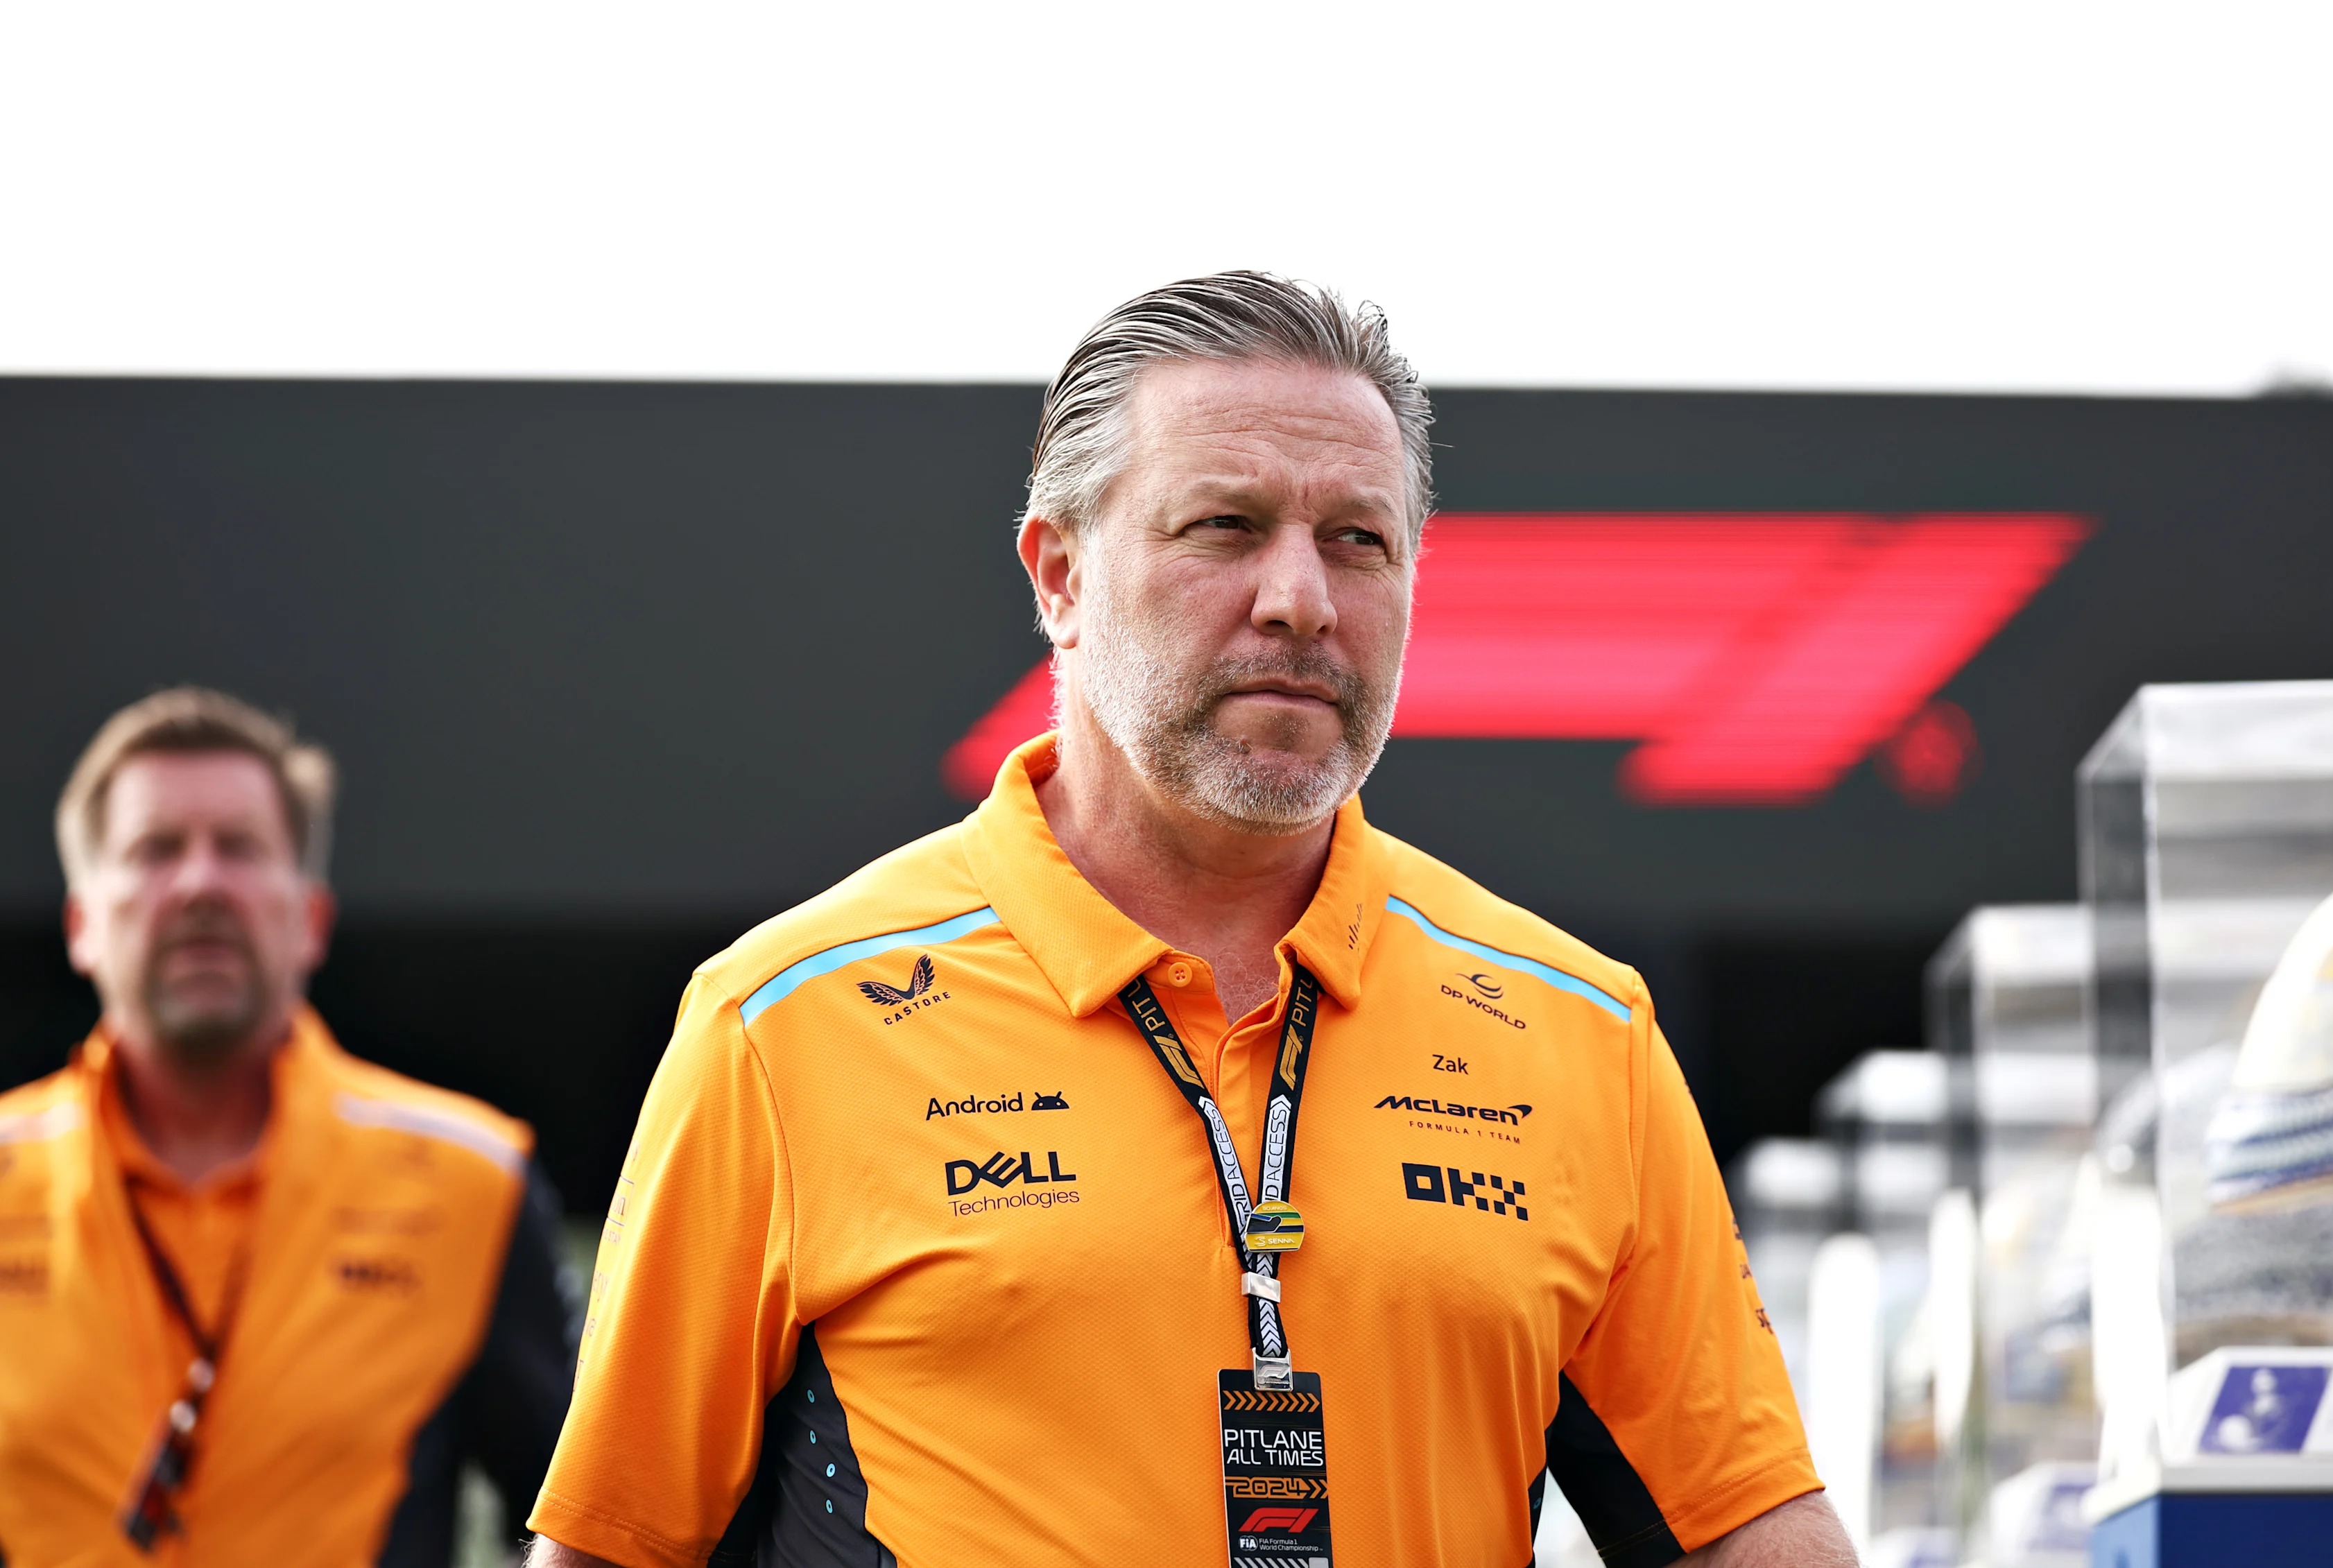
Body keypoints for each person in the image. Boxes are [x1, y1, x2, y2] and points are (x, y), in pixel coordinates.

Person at [527, 274, 1853, 1567]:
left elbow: (1744, 1525)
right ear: (1058, 577)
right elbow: (617, 1547)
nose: (1300, 599)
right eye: (1224, 525)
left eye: (1359, 539)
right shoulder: (784, 1024)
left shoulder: (1582, 1032)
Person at [0, 689, 574, 1565]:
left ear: (310, 918)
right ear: (81, 924)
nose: (199, 882)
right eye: (155, 849)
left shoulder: (474, 1184)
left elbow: (594, 1523)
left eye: (239, 847)